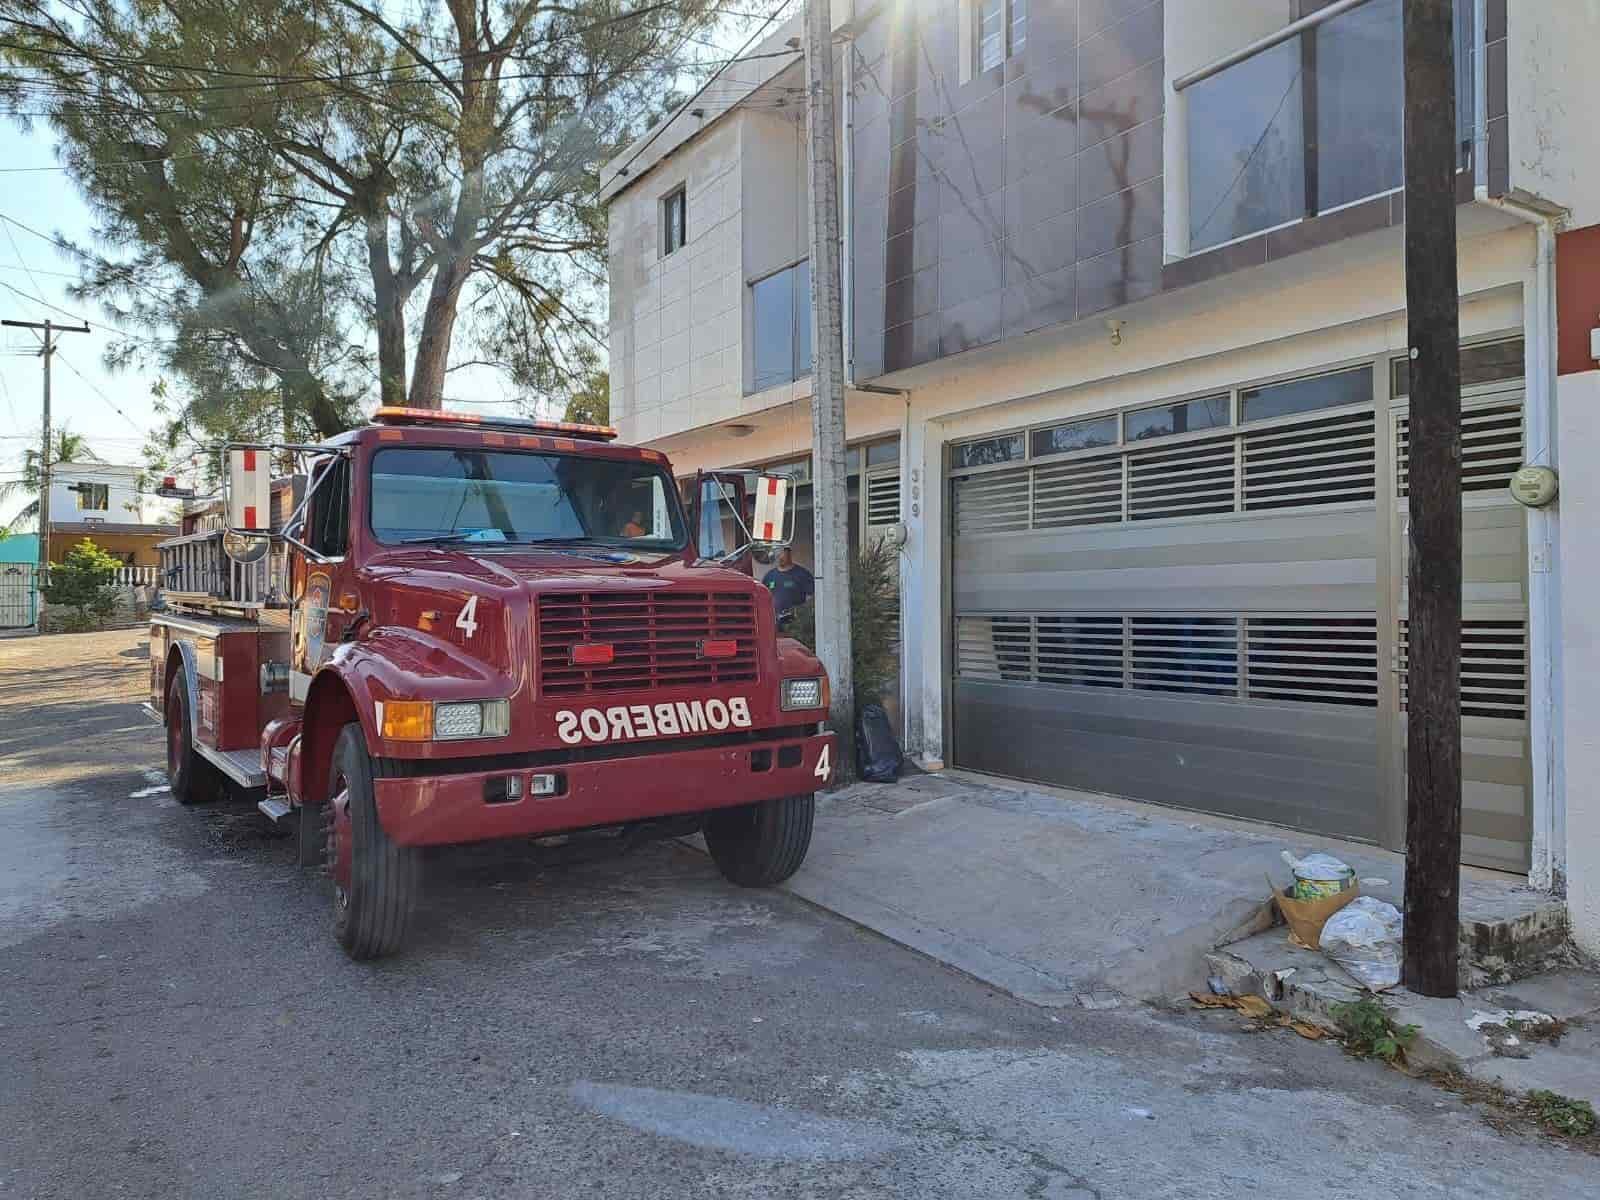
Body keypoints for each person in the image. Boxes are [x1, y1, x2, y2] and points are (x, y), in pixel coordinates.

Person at [762, 547, 814, 623]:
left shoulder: (802, 574)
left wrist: (799, 611)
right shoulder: (769, 576)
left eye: (782, 554)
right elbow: (763, 599)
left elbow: (813, 598)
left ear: (789, 554)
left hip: (795, 624)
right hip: (773, 623)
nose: (780, 557)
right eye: (778, 554)